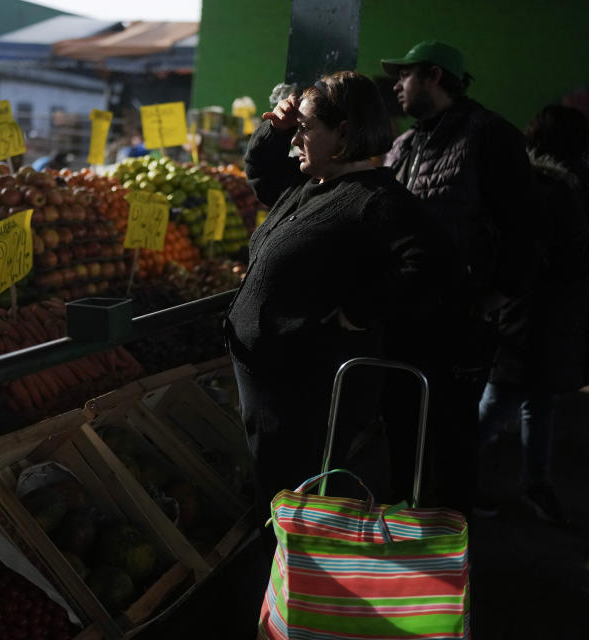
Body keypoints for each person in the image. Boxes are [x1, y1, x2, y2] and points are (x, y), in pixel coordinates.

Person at [226, 71, 453, 547]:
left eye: (307, 129)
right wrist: (280, 126)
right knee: (277, 500)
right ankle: (283, 590)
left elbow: (434, 262)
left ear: (344, 133)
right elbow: (263, 172)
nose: (298, 141)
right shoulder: (312, 183)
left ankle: (300, 604)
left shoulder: (376, 199)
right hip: (271, 382)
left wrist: (363, 309)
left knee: (297, 508)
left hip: (306, 392)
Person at [379, 41, 534, 518]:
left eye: (404, 76)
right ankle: (403, 537)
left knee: (451, 439)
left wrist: (494, 298)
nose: (395, 86)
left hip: (460, 321)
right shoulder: (405, 144)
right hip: (403, 318)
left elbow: (525, 227)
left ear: (433, 75)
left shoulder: (489, 135)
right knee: (401, 430)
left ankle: (450, 550)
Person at [477, 105, 589, 523]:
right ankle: (451, 479)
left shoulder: (541, 183)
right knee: (501, 402)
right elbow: (554, 257)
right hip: (534, 316)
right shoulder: (552, 188)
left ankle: (534, 482)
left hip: (532, 314)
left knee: (533, 402)